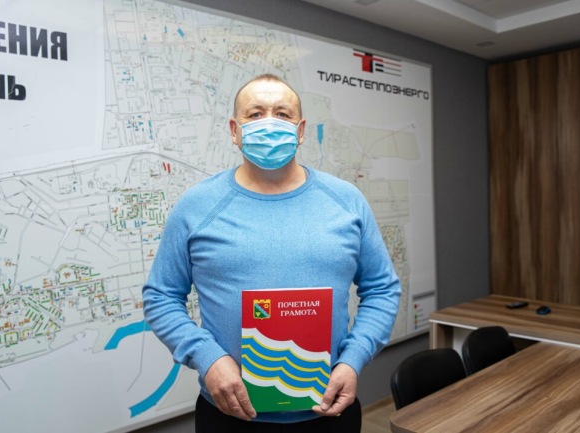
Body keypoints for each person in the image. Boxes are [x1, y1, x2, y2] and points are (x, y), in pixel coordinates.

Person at [142, 74, 401, 432]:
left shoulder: (346, 201)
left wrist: (353, 359)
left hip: (330, 412)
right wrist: (208, 358)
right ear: (234, 130)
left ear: (301, 130)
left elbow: (383, 289)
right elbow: (161, 296)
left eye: (282, 114)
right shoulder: (196, 206)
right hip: (230, 415)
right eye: (255, 114)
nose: (269, 123)